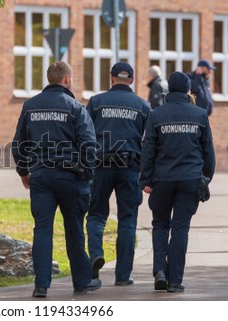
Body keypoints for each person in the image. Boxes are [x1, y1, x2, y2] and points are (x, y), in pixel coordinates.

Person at [12, 61, 101, 298]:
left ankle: (41, 285)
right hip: (71, 178)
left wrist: (24, 171)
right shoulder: (75, 107)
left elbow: (19, 144)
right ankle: (81, 283)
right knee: (74, 230)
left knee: (42, 229)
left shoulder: (30, 106)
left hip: (40, 176)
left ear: (49, 78)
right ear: (67, 79)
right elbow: (89, 145)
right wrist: (86, 175)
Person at [140, 71, 216, 293]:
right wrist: (205, 178)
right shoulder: (200, 115)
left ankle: (160, 271)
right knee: (181, 228)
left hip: (162, 180)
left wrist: (145, 179)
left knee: (160, 225)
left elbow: (148, 150)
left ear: (168, 91)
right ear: (187, 90)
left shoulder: (156, 115)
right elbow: (208, 152)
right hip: (190, 180)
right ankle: (175, 281)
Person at [86, 62, 151, 286]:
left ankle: (95, 256)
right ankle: (122, 276)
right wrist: (147, 172)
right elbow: (150, 142)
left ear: (111, 78)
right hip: (129, 167)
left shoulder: (96, 102)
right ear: (131, 80)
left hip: (100, 166)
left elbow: (84, 135)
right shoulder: (143, 106)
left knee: (95, 214)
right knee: (127, 219)